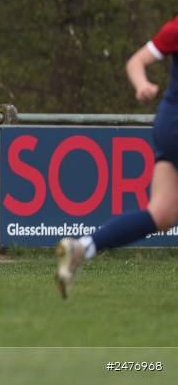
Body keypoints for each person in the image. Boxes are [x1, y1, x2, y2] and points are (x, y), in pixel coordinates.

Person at [55, 17, 178, 298]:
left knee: (162, 214)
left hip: (168, 122)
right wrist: (141, 84)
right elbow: (137, 62)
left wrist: (142, 85)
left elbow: (135, 62)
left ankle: (83, 248)